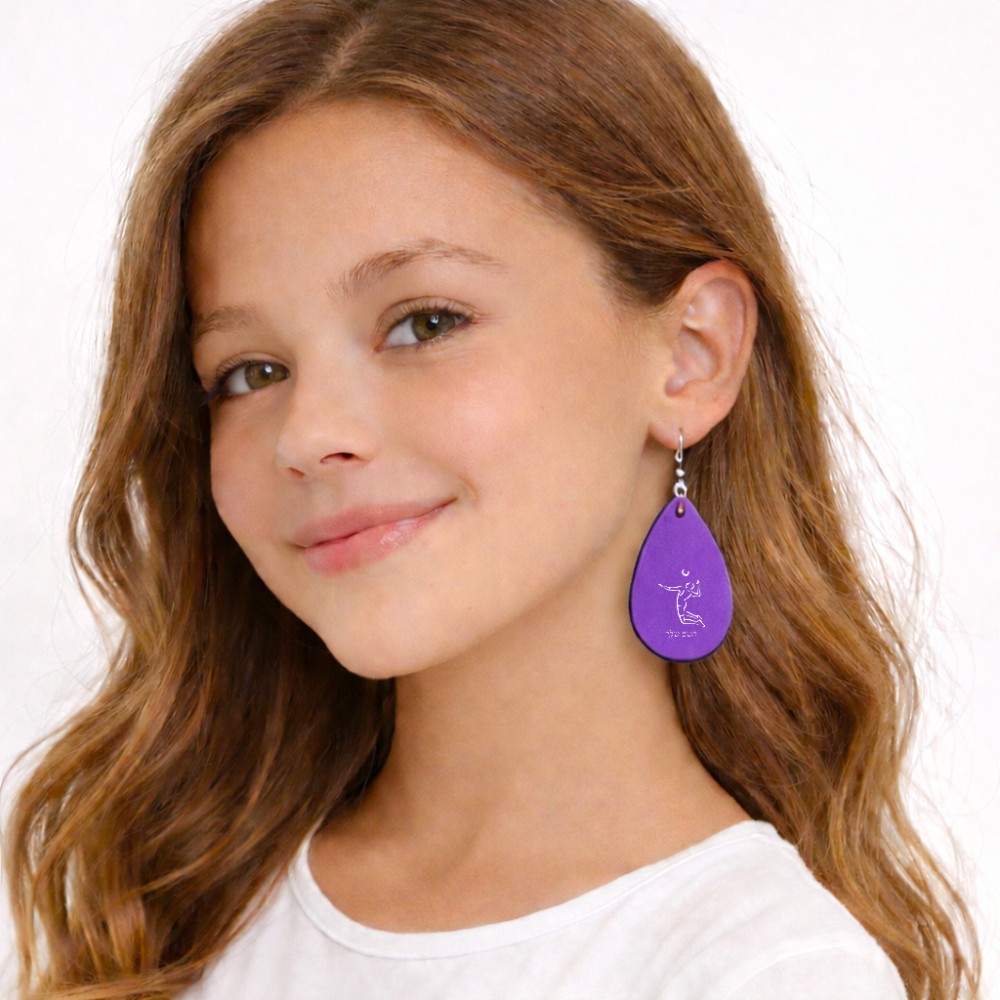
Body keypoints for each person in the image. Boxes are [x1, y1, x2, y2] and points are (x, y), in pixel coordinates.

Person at [2, 0, 981, 997]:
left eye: (424, 323)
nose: (305, 434)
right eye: (249, 373)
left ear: (692, 354)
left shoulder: (763, 970)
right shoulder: (181, 904)